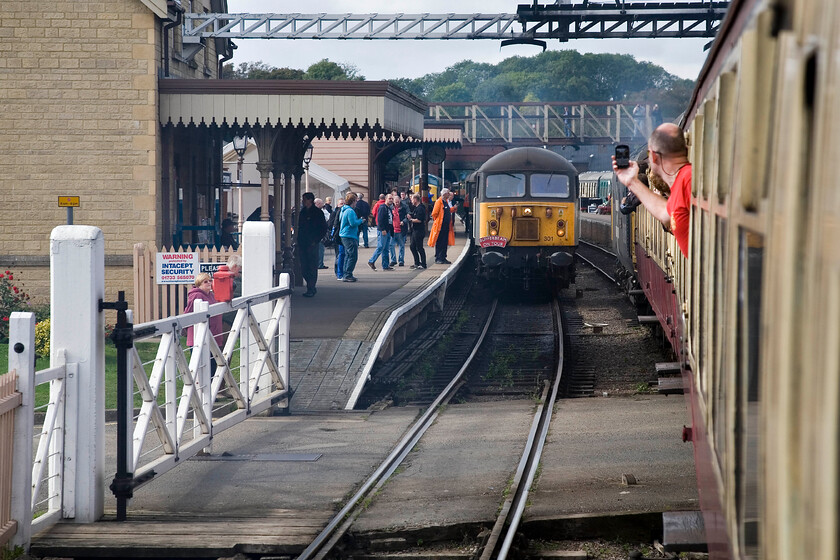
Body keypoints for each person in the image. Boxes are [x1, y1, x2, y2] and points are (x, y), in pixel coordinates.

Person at [612, 122, 692, 258]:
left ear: (654, 156)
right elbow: (666, 213)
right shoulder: (681, 184)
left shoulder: (688, 180)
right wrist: (632, 182)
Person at [185, 273, 223, 375]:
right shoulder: (196, 295)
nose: (209, 283)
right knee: (203, 370)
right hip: (200, 337)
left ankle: (210, 390)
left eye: (210, 281)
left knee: (213, 367)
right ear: (199, 284)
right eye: (205, 282)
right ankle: (199, 391)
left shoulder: (211, 294)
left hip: (213, 336)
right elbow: (188, 313)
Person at [296, 192, 327, 297]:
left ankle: (311, 287)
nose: (303, 201)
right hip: (302, 242)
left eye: (304, 199)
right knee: (304, 267)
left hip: (312, 243)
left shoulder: (318, 213)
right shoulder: (303, 212)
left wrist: (316, 240)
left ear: (310, 200)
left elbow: (323, 228)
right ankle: (310, 285)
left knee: (312, 266)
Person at [428, 188, 458, 264]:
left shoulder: (446, 202)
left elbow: (447, 210)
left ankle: (443, 257)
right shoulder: (439, 202)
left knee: (444, 242)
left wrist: (453, 209)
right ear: (444, 194)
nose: (449, 194)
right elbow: (434, 213)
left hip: (446, 226)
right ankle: (438, 258)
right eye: (448, 193)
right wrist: (438, 221)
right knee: (439, 242)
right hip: (440, 226)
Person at [339, 193, 364, 282]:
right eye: (355, 201)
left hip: (344, 235)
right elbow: (353, 223)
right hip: (349, 235)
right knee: (353, 256)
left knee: (348, 255)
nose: (356, 203)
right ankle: (348, 274)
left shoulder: (343, 210)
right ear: (353, 201)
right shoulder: (350, 211)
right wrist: (360, 220)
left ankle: (346, 273)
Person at [368, 193, 394, 271]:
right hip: (383, 230)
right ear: (385, 199)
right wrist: (383, 229)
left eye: (392, 199)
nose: (391, 200)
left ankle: (385, 265)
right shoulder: (383, 207)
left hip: (388, 229)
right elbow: (380, 219)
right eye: (389, 198)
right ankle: (371, 261)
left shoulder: (389, 208)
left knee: (386, 248)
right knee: (381, 246)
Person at [327, 198, 346, 279]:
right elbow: (330, 224)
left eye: (343, 203)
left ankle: (342, 271)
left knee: (343, 255)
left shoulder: (345, 212)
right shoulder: (334, 213)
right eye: (341, 204)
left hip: (343, 236)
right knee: (339, 255)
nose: (342, 205)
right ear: (337, 205)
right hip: (337, 237)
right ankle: (338, 272)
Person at [408, 193, 427, 269]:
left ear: (415, 199)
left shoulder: (420, 208)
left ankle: (423, 263)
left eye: (412, 199)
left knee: (419, 247)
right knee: (412, 246)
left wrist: (411, 219)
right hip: (415, 230)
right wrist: (411, 216)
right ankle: (417, 262)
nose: (411, 201)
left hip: (419, 230)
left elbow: (419, 220)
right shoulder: (416, 208)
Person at [314, 198, 330, 269]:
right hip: (318, 234)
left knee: (320, 250)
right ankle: (319, 264)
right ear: (317, 204)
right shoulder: (318, 212)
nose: (323, 204)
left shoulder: (318, 211)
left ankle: (320, 263)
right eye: (321, 203)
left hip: (317, 234)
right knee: (320, 250)